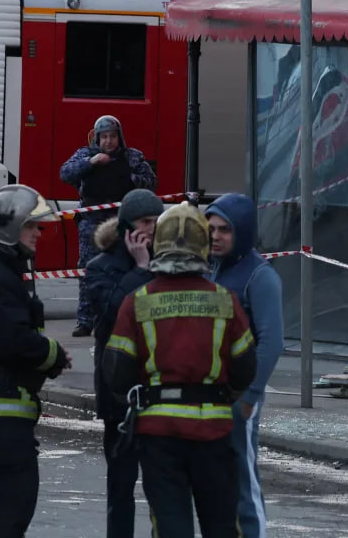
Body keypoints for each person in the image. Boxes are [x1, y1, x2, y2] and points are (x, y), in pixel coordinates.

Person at [103, 202, 257, 538]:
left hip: (159, 436)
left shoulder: (137, 301)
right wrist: (222, 396)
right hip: (214, 432)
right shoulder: (225, 300)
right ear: (203, 245)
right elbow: (246, 367)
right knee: (222, 526)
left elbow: (117, 372)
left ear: (159, 244)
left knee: (170, 526)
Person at [0, 184, 71, 537]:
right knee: (8, 512)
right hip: (2, 418)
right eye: (31, 225)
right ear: (10, 226)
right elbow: (14, 340)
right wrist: (54, 355)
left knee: (5, 511)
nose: (39, 233)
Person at [80, 188, 164, 538]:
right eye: (145, 222)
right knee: (121, 485)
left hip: (158, 389)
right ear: (127, 226)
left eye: (156, 222)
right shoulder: (99, 267)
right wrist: (142, 269)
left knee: (163, 486)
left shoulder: (166, 263)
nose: (152, 229)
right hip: (118, 391)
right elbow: (114, 312)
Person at [204, 193, 283, 538]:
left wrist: (250, 395)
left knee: (242, 480)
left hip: (239, 396)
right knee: (216, 482)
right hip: (211, 392)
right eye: (211, 229)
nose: (215, 236)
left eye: (225, 229)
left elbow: (272, 342)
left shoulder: (260, 276)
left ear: (243, 231)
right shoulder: (213, 268)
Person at [59, 114, 157, 337]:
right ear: (97, 138)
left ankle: (124, 316)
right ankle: (85, 320)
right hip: (92, 223)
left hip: (122, 222)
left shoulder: (132, 156)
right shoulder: (85, 154)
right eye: (104, 137)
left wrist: (129, 178)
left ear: (119, 137)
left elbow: (151, 181)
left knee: (127, 267)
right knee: (88, 270)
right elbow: (65, 173)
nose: (108, 141)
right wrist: (91, 163)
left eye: (113, 136)